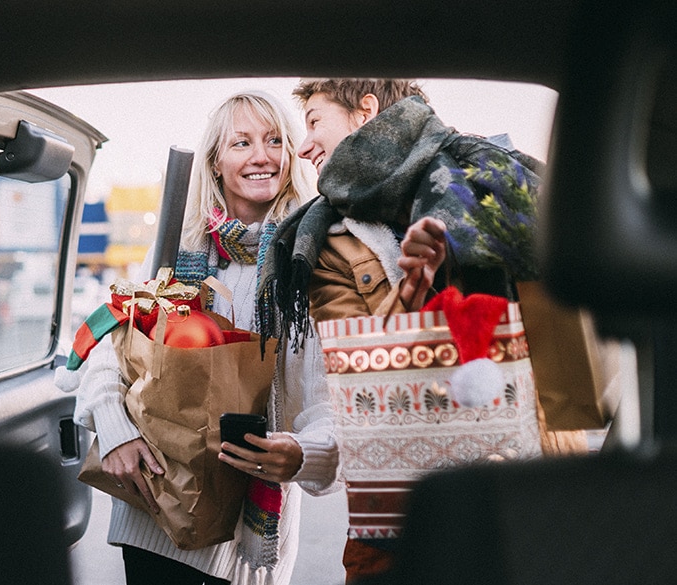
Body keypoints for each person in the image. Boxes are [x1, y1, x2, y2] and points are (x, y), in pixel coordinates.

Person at [255, 78, 544, 582]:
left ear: (364, 111)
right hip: (399, 510)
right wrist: (411, 286)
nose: (303, 148)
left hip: (523, 488)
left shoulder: (490, 180)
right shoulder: (327, 241)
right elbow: (356, 377)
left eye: (315, 121)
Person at [70, 90, 340, 585]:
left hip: (245, 541)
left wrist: (304, 455)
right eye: (242, 143)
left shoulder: (312, 263)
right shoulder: (176, 246)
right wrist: (114, 431)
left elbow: (329, 400)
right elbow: (112, 352)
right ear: (216, 162)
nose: (262, 155)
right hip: (153, 514)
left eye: (275, 140)